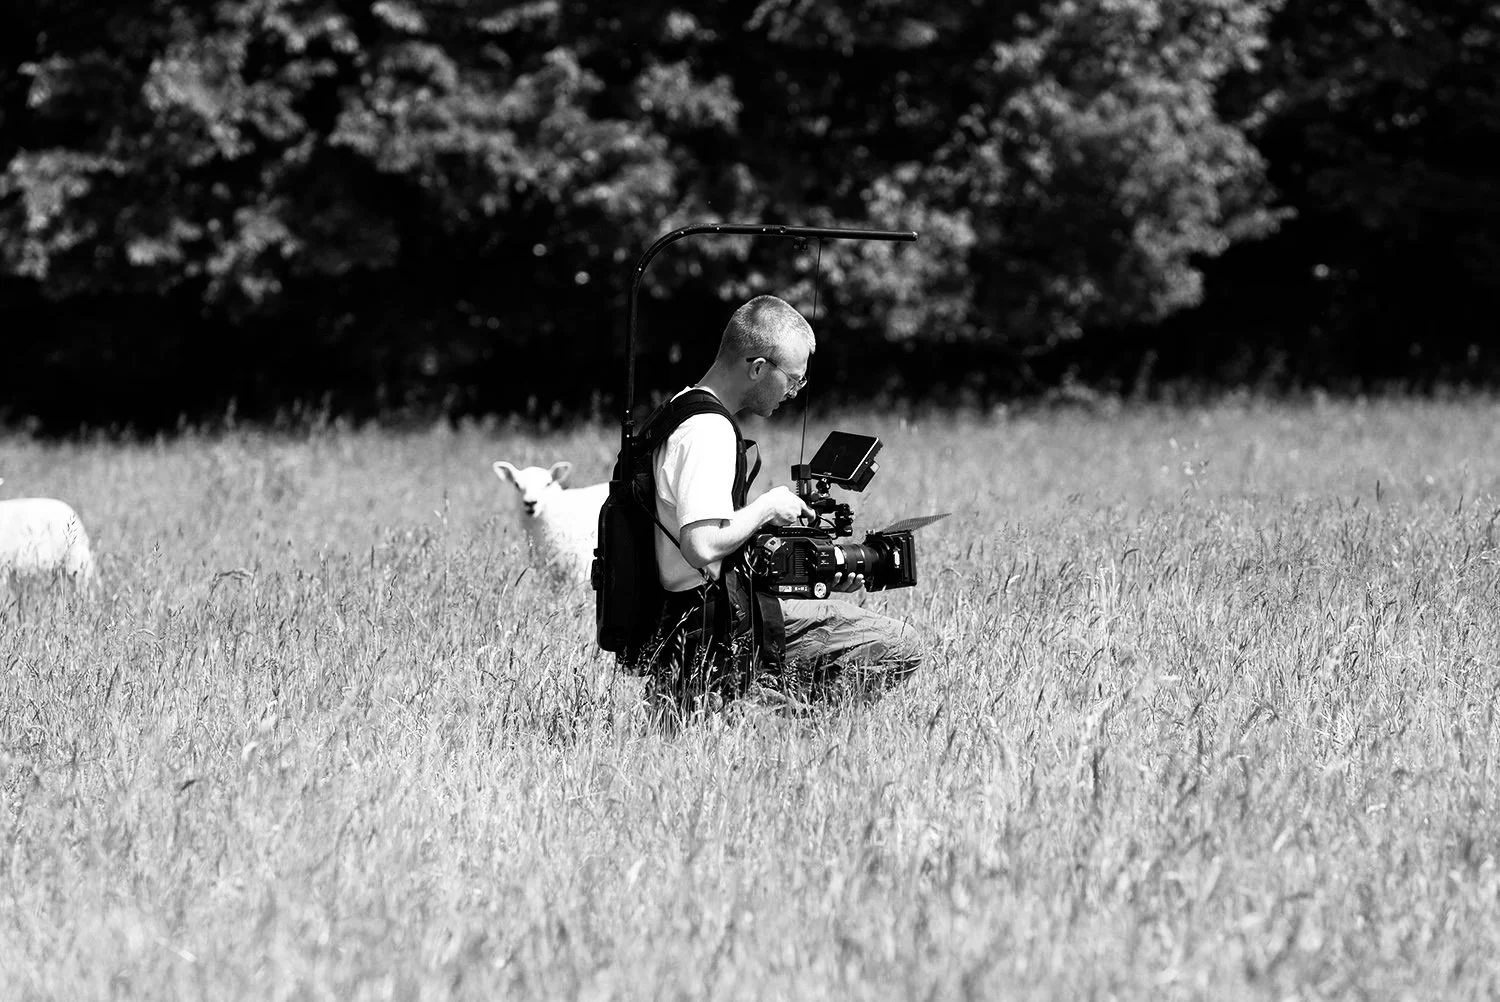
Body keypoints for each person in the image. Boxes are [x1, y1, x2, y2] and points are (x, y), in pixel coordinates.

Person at [638, 294, 924, 721]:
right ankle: (766, 719)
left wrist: (815, 571)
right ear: (757, 368)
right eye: (793, 379)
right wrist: (768, 505)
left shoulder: (680, 409)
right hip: (712, 629)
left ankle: (748, 708)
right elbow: (699, 545)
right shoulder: (709, 431)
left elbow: (704, 540)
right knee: (903, 644)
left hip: (686, 621)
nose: (794, 392)